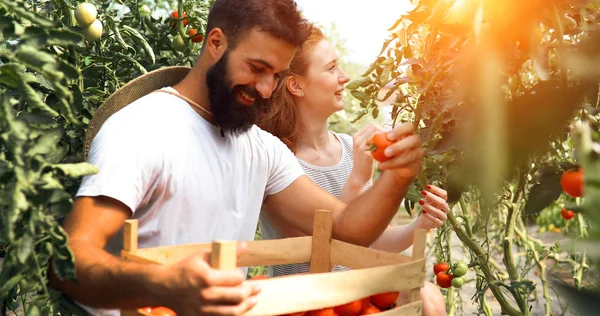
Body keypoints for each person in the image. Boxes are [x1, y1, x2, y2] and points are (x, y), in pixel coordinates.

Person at [48, 1, 427, 315]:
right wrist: (158, 285)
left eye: (276, 75)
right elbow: (68, 263)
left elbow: (348, 228)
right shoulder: (143, 128)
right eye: (257, 68)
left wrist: (397, 177)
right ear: (216, 42)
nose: (265, 89)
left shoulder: (259, 148)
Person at [257, 24, 448, 315]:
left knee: (429, 295)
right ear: (297, 85)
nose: (345, 77)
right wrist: (357, 181)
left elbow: (367, 240)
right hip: (306, 303)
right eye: (331, 68)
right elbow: (318, 254)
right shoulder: (279, 161)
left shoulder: (350, 148)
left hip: (355, 301)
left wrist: (419, 225)